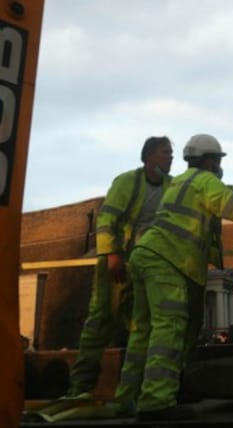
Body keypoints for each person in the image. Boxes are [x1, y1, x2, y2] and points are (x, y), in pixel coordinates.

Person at [114, 134, 233, 421]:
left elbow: (228, 192)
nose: (218, 165)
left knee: (142, 331)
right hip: (169, 261)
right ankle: (156, 402)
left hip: (145, 256)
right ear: (209, 160)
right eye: (217, 160)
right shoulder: (206, 182)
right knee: (170, 329)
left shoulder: (181, 181)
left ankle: (126, 399)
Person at [66, 136, 174, 398]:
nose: (171, 157)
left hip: (146, 264)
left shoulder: (173, 186)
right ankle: (80, 387)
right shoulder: (127, 182)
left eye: (171, 152)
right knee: (101, 318)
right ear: (149, 156)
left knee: (138, 324)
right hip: (119, 261)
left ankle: (130, 389)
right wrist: (112, 254)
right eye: (165, 152)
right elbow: (107, 219)